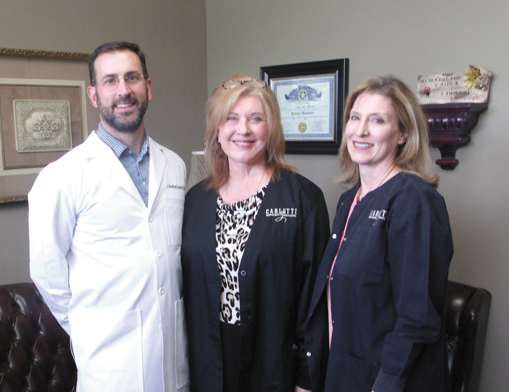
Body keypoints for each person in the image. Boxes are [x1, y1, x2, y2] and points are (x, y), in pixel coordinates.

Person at [29, 41, 189, 392]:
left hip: (176, 363)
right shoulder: (62, 177)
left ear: (148, 87)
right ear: (93, 95)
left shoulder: (175, 166)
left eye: (132, 78)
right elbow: (46, 273)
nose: (123, 90)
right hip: (111, 369)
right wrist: (91, 324)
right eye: (110, 80)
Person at [181, 75, 330, 392]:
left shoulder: (303, 199)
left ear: (271, 128)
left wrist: (306, 379)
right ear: (217, 130)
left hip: (272, 361)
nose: (243, 130)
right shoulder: (194, 201)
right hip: (208, 360)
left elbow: (316, 302)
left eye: (255, 119)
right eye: (231, 118)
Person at [305, 76, 454, 392]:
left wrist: (387, 384)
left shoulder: (415, 201)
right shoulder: (350, 199)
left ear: (402, 133)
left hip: (386, 381)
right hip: (345, 372)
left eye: (377, 120)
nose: (360, 130)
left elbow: (418, 317)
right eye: (355, 118)